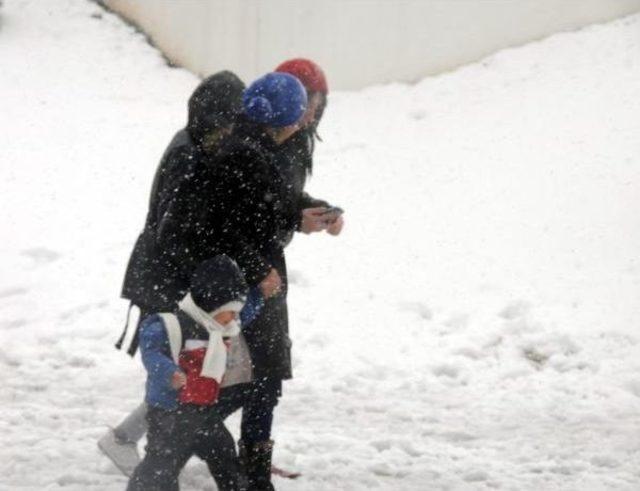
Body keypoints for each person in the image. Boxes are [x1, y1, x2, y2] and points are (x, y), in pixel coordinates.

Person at [99, 71, 259, 476]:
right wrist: (206, 277)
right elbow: (174, 231)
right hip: (166, 277)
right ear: (212, 117)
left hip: (167, 272)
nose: (231, 130)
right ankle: (149, 453)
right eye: (228, 120)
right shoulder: (189, 154)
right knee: (172, 366)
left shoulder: (195, 145)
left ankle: (135, 441)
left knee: (184, 367)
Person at [127, 255, 250, 491]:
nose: (234, 318)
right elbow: (151, 353)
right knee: (161, 464)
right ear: (212, 306)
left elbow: (247, 309)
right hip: (170, 413)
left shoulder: (219, 328)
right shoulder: (172, 324)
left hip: (204, 411)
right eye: (230, 311)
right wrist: (169, 372)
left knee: (223, 452)